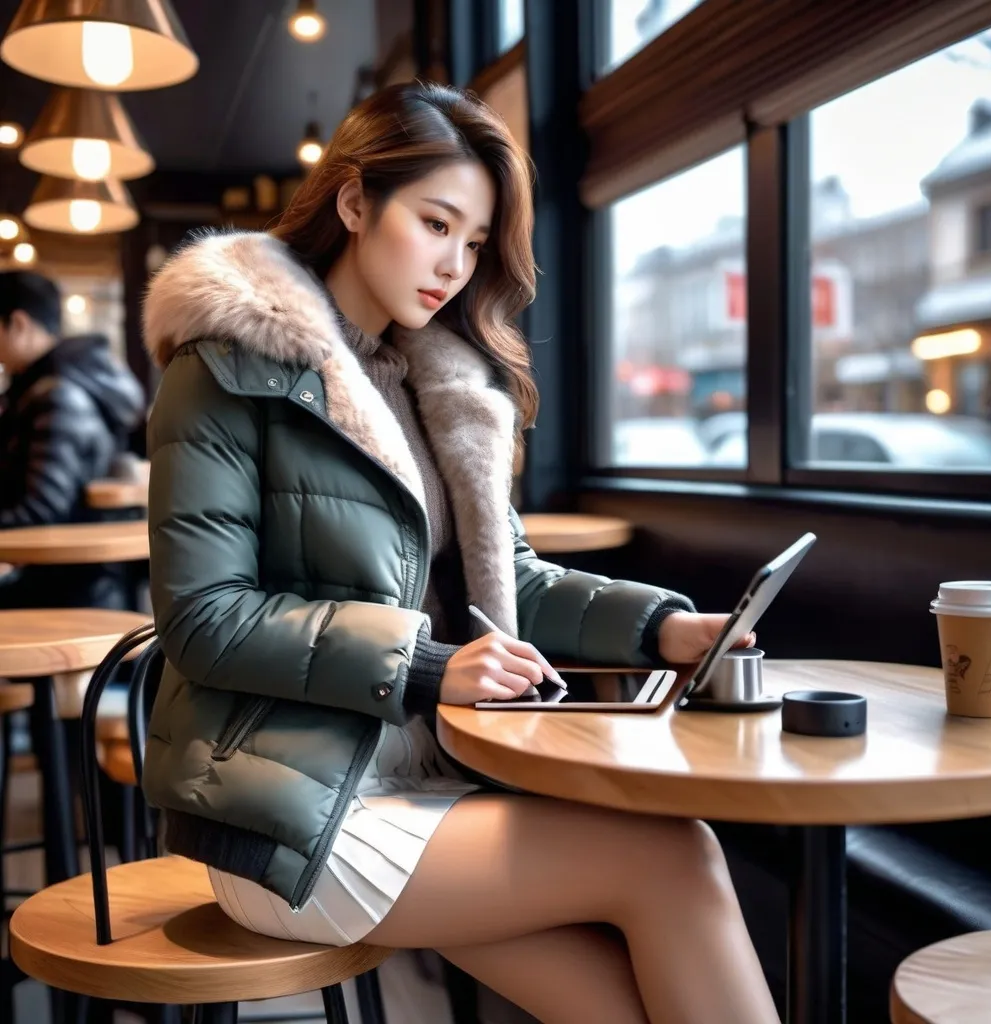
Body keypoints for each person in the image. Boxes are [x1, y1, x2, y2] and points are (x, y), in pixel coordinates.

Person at [140, 82, 780, 1024]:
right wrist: (432, 666)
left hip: (422, 783)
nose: (454, 263)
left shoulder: (435, 383)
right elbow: (204, 619)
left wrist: (667, 628)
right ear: (356, 202)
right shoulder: (223, 369)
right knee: (673, 856)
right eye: (436, 223)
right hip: (285, 814)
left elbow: (508, 580)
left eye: (474, 242)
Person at [0, 270, 145, 608]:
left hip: (72, 587)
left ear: (18, 324)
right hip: (68, 578)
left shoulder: (58, 395)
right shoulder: (43, 388)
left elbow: (43, 509)